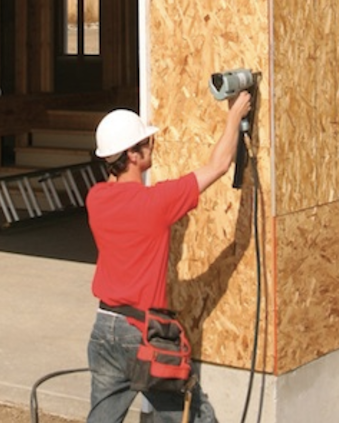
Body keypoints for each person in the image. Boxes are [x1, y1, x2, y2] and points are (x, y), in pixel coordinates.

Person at [85, 92, 252, 423]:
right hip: (142, 333)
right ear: (132, 155)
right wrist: (235, 115)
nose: (153, 145)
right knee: (197, 416)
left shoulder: (96, 199)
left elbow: (114, 181)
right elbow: (218, 165)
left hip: (104, 328)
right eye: (146, 142)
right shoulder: (156, 204)